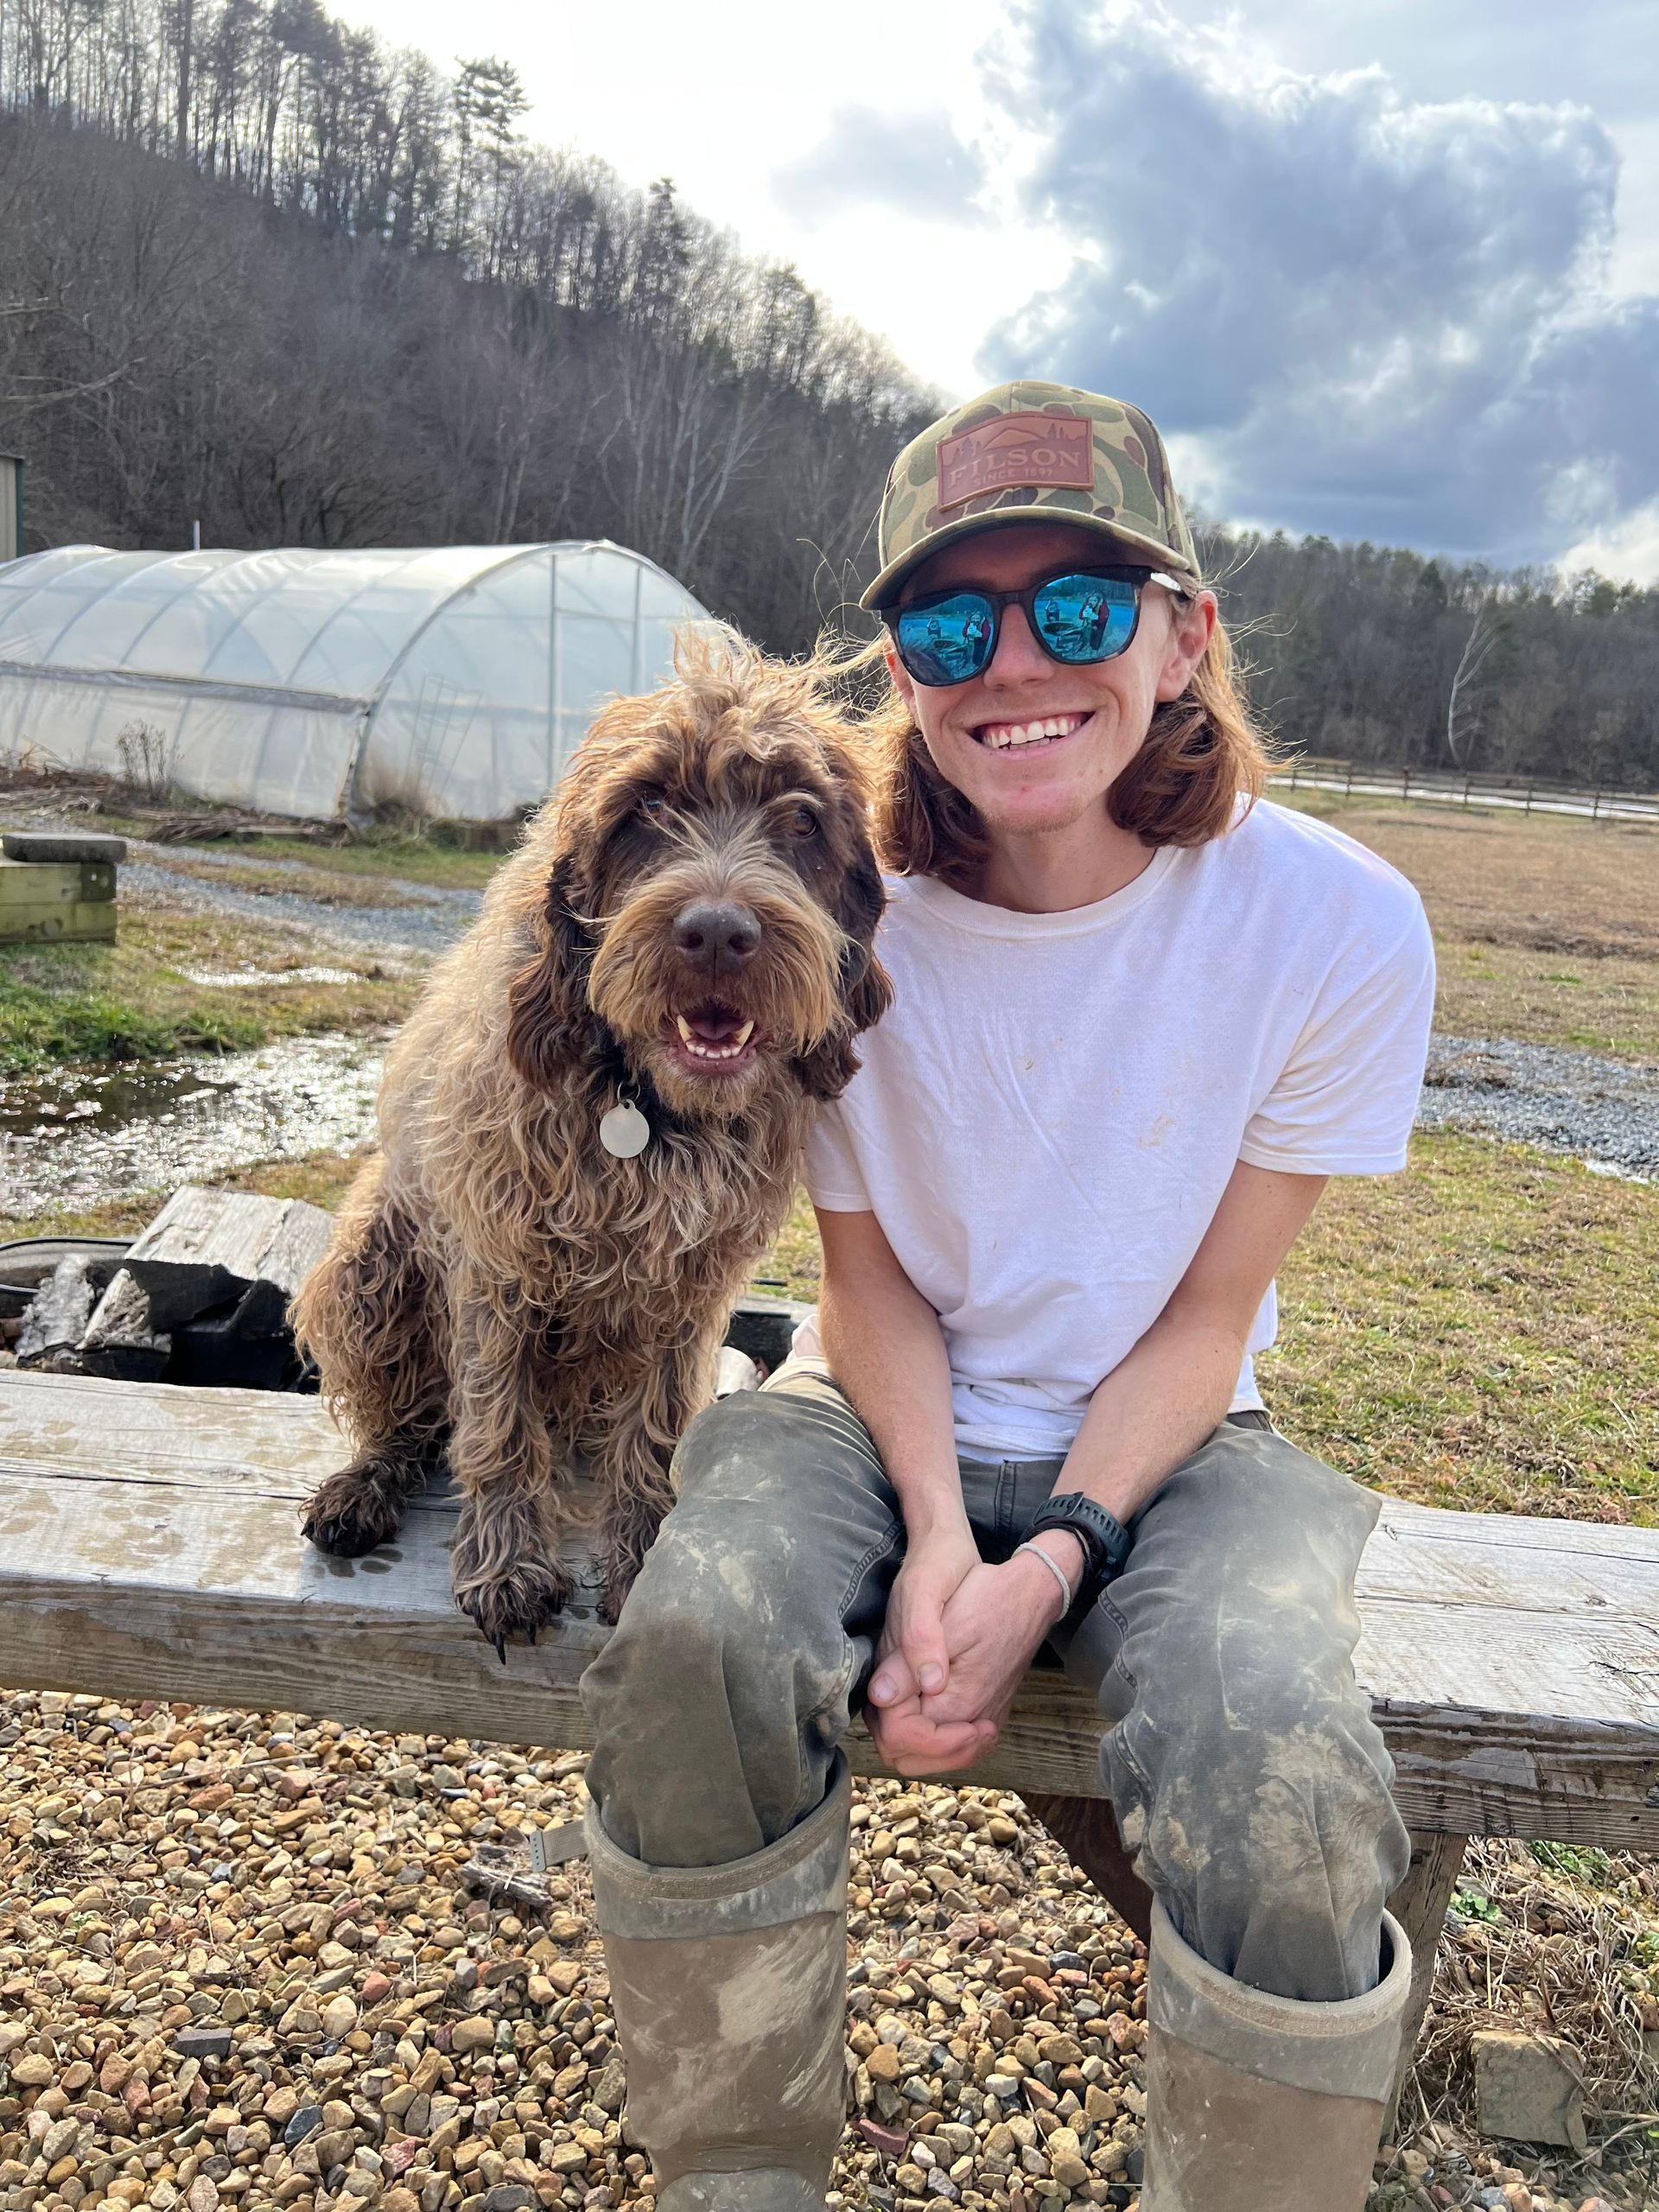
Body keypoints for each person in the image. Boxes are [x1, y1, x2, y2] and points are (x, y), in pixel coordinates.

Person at [578, 380, 1435, 2212]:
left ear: (1186, 636)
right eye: (956, 622)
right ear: (904, 664)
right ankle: (737, 2172)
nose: (1016, 662)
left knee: (1280, 1760)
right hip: (871, 1393)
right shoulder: (842, 906)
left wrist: (1045, 1558)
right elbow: (865, 1274)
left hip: (1181, 1432)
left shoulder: (1340, 927)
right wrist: (928, 1533)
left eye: (1083, 607)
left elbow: (1211, 1320)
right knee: (692, 1643)